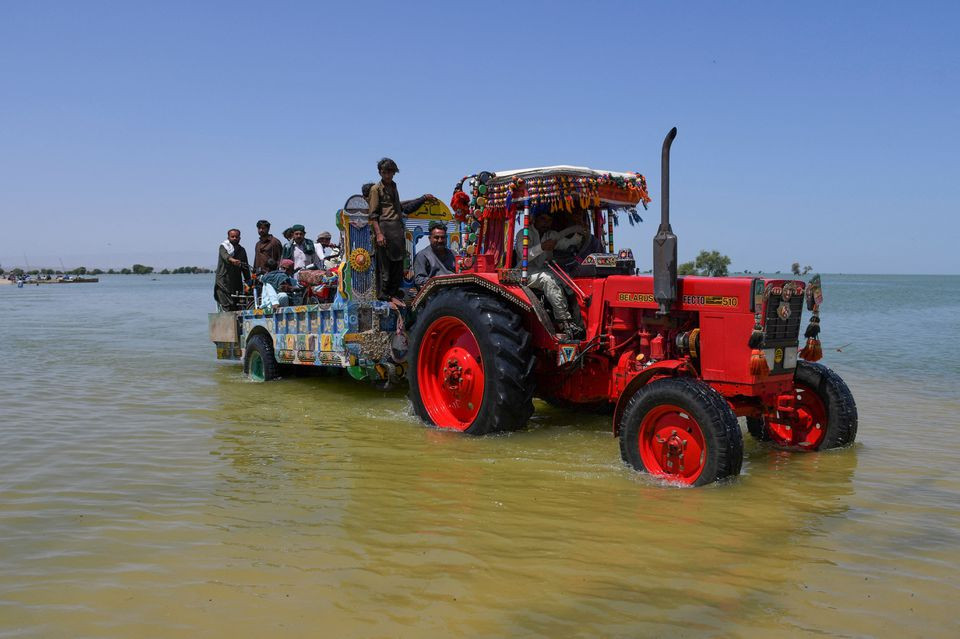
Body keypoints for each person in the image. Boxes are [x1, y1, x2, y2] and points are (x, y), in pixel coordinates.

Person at [367, 157, 434, 305]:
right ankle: (383, 295)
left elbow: (398, 207)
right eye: (385, 172)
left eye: (390, 172)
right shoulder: (376, 189)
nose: (388, 175)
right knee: (385, 265)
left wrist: (421, 199)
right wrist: (378, 233)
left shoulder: (394, 186)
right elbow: (373, 215)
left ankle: (393, 293)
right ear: (380, 172)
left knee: (398, 262)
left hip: (397, 228)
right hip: (384, 227)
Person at [513, 212, 585, 339]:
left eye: (549, 220)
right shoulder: (524, 233)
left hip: (543, 269)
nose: (546, 223)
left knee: (567, 280)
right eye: (543, 218)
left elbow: (566, 244)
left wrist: (579, 232)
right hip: (524, 271)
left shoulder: (551, 235)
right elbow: (524, 255)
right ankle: (564, 323)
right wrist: (542, 247)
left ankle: (580, 323)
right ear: (535, 219)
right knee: (548, 279)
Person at [214, 228, 249, 311]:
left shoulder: (242, 250)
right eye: (232, 236)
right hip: (223, 281)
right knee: (225, 305)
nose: (234, 238)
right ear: (228, 237)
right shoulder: (224, 246)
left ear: (239, 238)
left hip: (236, 282)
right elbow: (225, 256)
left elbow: (245, 268)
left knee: (237, 305)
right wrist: (232, 260)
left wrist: (248, 281)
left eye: (236, 237)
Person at [413, 221, 456, 288]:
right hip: (435, 293)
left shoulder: (454, 254)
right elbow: (419, 280)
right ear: (430, 239)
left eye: (443, 237)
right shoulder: (422, 256)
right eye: (436, 237)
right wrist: (440, 281)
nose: (440, 240)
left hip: (455, 290)